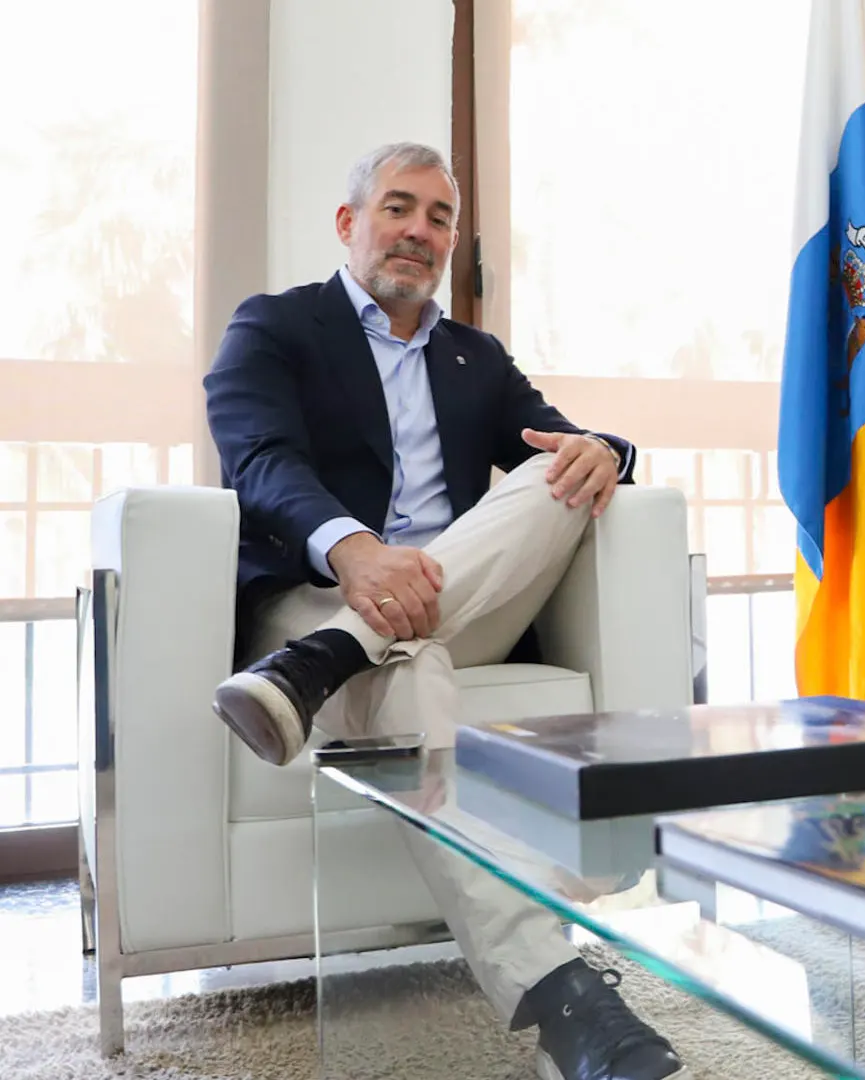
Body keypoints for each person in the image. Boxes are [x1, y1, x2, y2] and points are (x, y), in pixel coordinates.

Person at [202, 142, 684, 1080]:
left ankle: (327, 666)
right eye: (398, 207)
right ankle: (564, 1004)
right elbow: (257, 460)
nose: (420, 231)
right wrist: (355, 549)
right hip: (312, 595)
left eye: (439, 217)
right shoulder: (275, 327)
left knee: (559, 466)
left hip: (440, 605)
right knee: (408, 667)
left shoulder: (476, 357)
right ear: (350, 224)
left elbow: (564, 433)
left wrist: (608, 451)